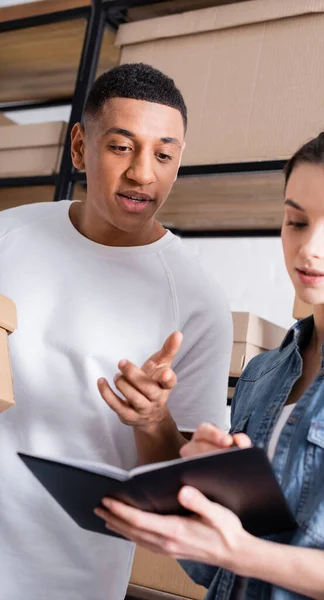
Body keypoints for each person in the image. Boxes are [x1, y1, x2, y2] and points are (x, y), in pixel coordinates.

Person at [96, 125, 324, 599]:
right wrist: (155, 423)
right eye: (296, 221)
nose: (309, 248)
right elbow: (212, 569)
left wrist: (242, 551)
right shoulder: (263, 375)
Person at [0, 63, 232, 600]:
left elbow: (182, 487)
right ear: (79, 147)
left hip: (69, 578)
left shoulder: (197, 301)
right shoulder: (8, 235)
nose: (142, 174)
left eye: (164, 155)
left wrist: (153, 419)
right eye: (122, 147)